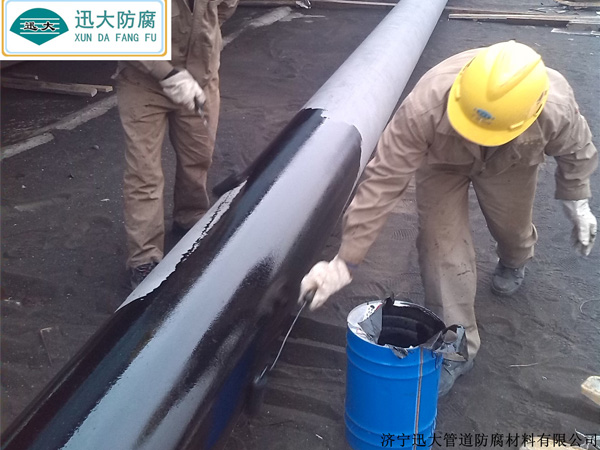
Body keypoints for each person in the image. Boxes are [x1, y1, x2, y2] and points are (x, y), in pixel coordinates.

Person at [298, 41, 598, 396]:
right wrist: (345, 260)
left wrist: (577, 200)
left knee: (512, 229)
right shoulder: (425, 105)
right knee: (440, 248)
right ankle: (458, 347)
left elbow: (578, 151)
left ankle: (515, 259)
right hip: (443, 164)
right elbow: (383, 180)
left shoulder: (554, 106)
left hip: (511, 163)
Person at [115, 0, 238, 288]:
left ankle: (190, 217)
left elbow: (225, 8)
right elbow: (119, 32)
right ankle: (144, 257)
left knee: (198, 157)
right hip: (143, 82)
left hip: (201, 77)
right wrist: (166, 72)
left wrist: (202, 45)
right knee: (144, 172)